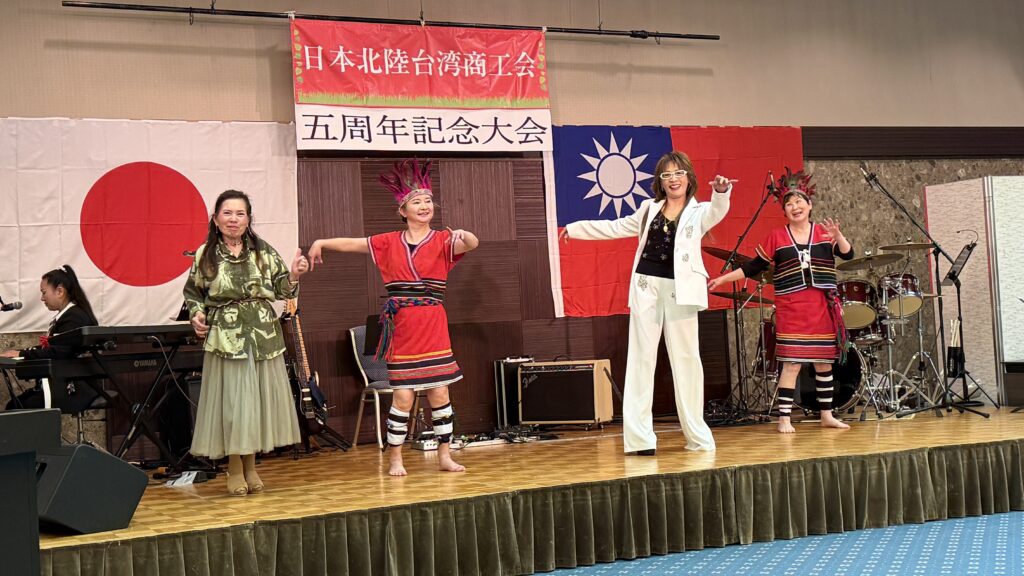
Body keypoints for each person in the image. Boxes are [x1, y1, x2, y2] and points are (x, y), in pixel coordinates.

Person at [307, 159, 479, 476]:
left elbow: (471, 243)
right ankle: (396, 458)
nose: (424, 206)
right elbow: (353, 243)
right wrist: (321, 243)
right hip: (403, 326)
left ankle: (444, 454)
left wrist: (465, 234)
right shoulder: (388, 242)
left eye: (428, 201)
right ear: (403, 210)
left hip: (433, 324)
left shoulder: (443, 240)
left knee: (440, 392)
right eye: (417, 202)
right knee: (402, 396)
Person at [559, 150, 735, 455]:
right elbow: (615, 227)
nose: (673, 179)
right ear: (660, 182)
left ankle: (698, 438)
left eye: (678, 173)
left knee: (687, 361)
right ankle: (640, 440)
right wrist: (575, 229)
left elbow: (718, 211)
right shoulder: (648, 209)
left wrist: (721, 191)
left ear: (688, 177)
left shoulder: (700, 211)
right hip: (646, 286)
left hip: (682, 290)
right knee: (641, 360)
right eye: (666, 175)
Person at [708, 169, 853, 433]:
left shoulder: (824, 233)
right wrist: (723, 279)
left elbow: (847, 254)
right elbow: (753, 266)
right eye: (789, 204)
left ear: (809, 205)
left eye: (799, 202)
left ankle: (827, 415)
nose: (795, 207)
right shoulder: (777, 236)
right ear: (784, 211)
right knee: (792, 363)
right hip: (792, 307)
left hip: (821, 307)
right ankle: (784, 418)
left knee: (823, 363)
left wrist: (839, 236)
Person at [183, 190, 308, 495]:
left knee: (255, 404)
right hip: (227, 338)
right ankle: (235, 468)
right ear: (216, 219)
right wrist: (197, 314)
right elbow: (193, 294)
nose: (234, 219)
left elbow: (283, 291)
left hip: (262, 336)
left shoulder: (263, 251)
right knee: (234, 406)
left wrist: (294, 275)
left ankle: (251, 466)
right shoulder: (205, 254)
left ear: (248, 219)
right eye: (227, 213)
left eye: (240, 214)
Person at [2, 266, 99, 409]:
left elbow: (59, 351)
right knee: (14, 405)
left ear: (59, 291)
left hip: (75, 388)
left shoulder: (74, 317)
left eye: (44, 292)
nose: (42, 298)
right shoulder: (69, 316)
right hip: (64, 382)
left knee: (16, 407)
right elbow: (54, 348)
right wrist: (19, 352)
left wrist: (22, 354)